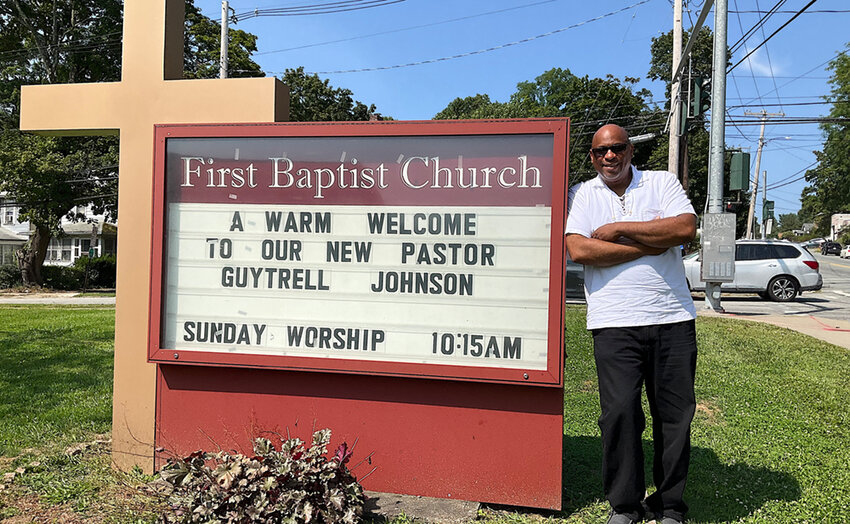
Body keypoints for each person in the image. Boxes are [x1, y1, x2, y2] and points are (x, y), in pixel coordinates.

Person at [564, 124, 698, 524]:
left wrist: (622, 230)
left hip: (672, 317)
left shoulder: (661, 182)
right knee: (619, 413)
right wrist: (652, 242)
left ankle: (669, 505)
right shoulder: (583, 194)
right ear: (591, 156)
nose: (610, 156)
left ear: (629, 152)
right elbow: (579, 248)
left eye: (618, 148)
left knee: (674, 416)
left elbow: (685, 228)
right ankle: (625, 505)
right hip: (613, 321)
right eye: (601, 151)